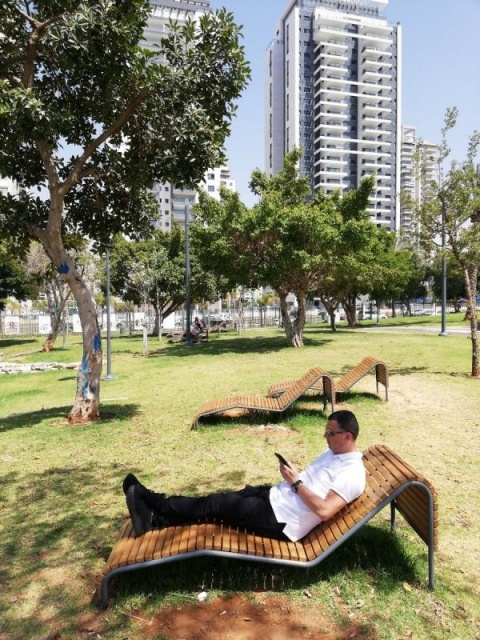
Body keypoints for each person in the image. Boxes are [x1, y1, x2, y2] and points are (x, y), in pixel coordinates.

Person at [123, 410, 366, 542]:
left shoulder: (352, 473)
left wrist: (296, 481)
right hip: (276, 497)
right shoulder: (332, 452)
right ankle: (154, 517)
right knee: (217, 503)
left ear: (348, 436)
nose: (325, 436)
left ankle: (153, 502)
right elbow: (314, 482)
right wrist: (293, 474)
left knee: (215, 505)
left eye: (330, 433)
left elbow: (324, 511)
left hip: (281, 520)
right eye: (326, 431)